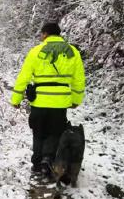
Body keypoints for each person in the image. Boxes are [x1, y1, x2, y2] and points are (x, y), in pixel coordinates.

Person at [10, 22, 85, 173]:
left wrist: (16, 99)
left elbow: (23, 77)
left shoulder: (36, 51)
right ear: (59, 34)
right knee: (55, 131)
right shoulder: (73, 52)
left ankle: (37, 164)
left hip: (39, 101)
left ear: (45, 34)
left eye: (41, 34)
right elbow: (79, 79)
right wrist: (76, 100)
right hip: (60, 102)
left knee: (38, 132)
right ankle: (48, 159)